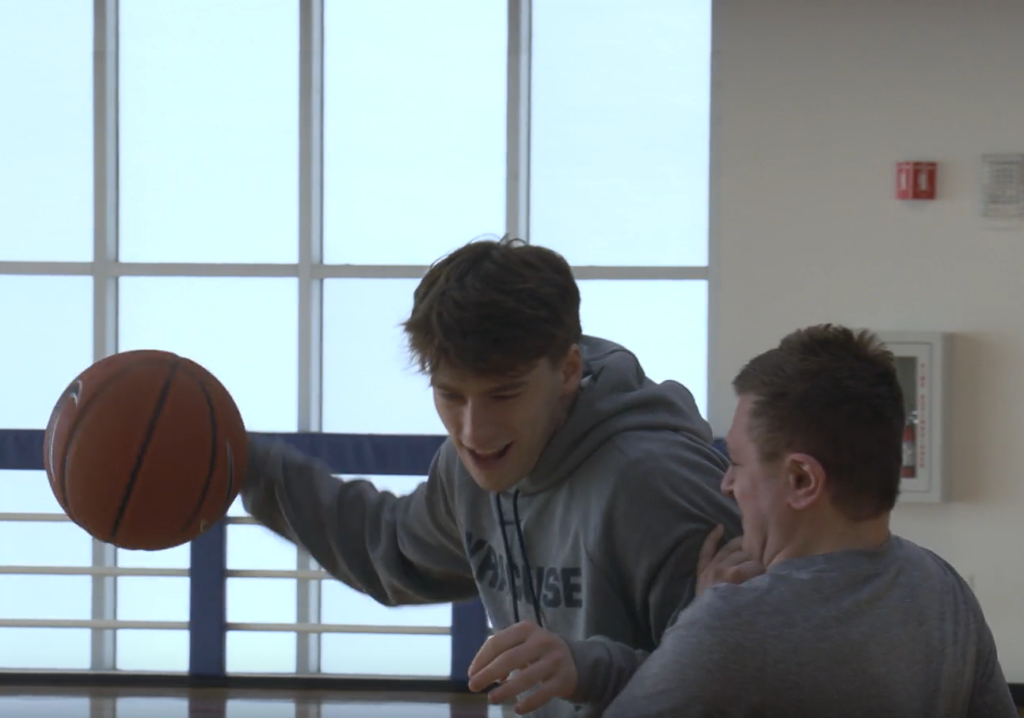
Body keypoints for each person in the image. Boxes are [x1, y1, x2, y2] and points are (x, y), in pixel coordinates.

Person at [239, 236, 741, 716]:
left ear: (567, 370)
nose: (474, 432)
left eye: (504, 395)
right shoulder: (463, 473)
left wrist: (589, 668)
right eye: (450, 396)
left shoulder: (656, 483)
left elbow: (743, 683)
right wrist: (241, 461)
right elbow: (387, 547)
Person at [603, 324, 1018, 718]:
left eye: (737, 462)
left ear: (802, 480)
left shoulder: (730, 626)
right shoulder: (945, 589)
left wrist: (696, 621)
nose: (726, 484)